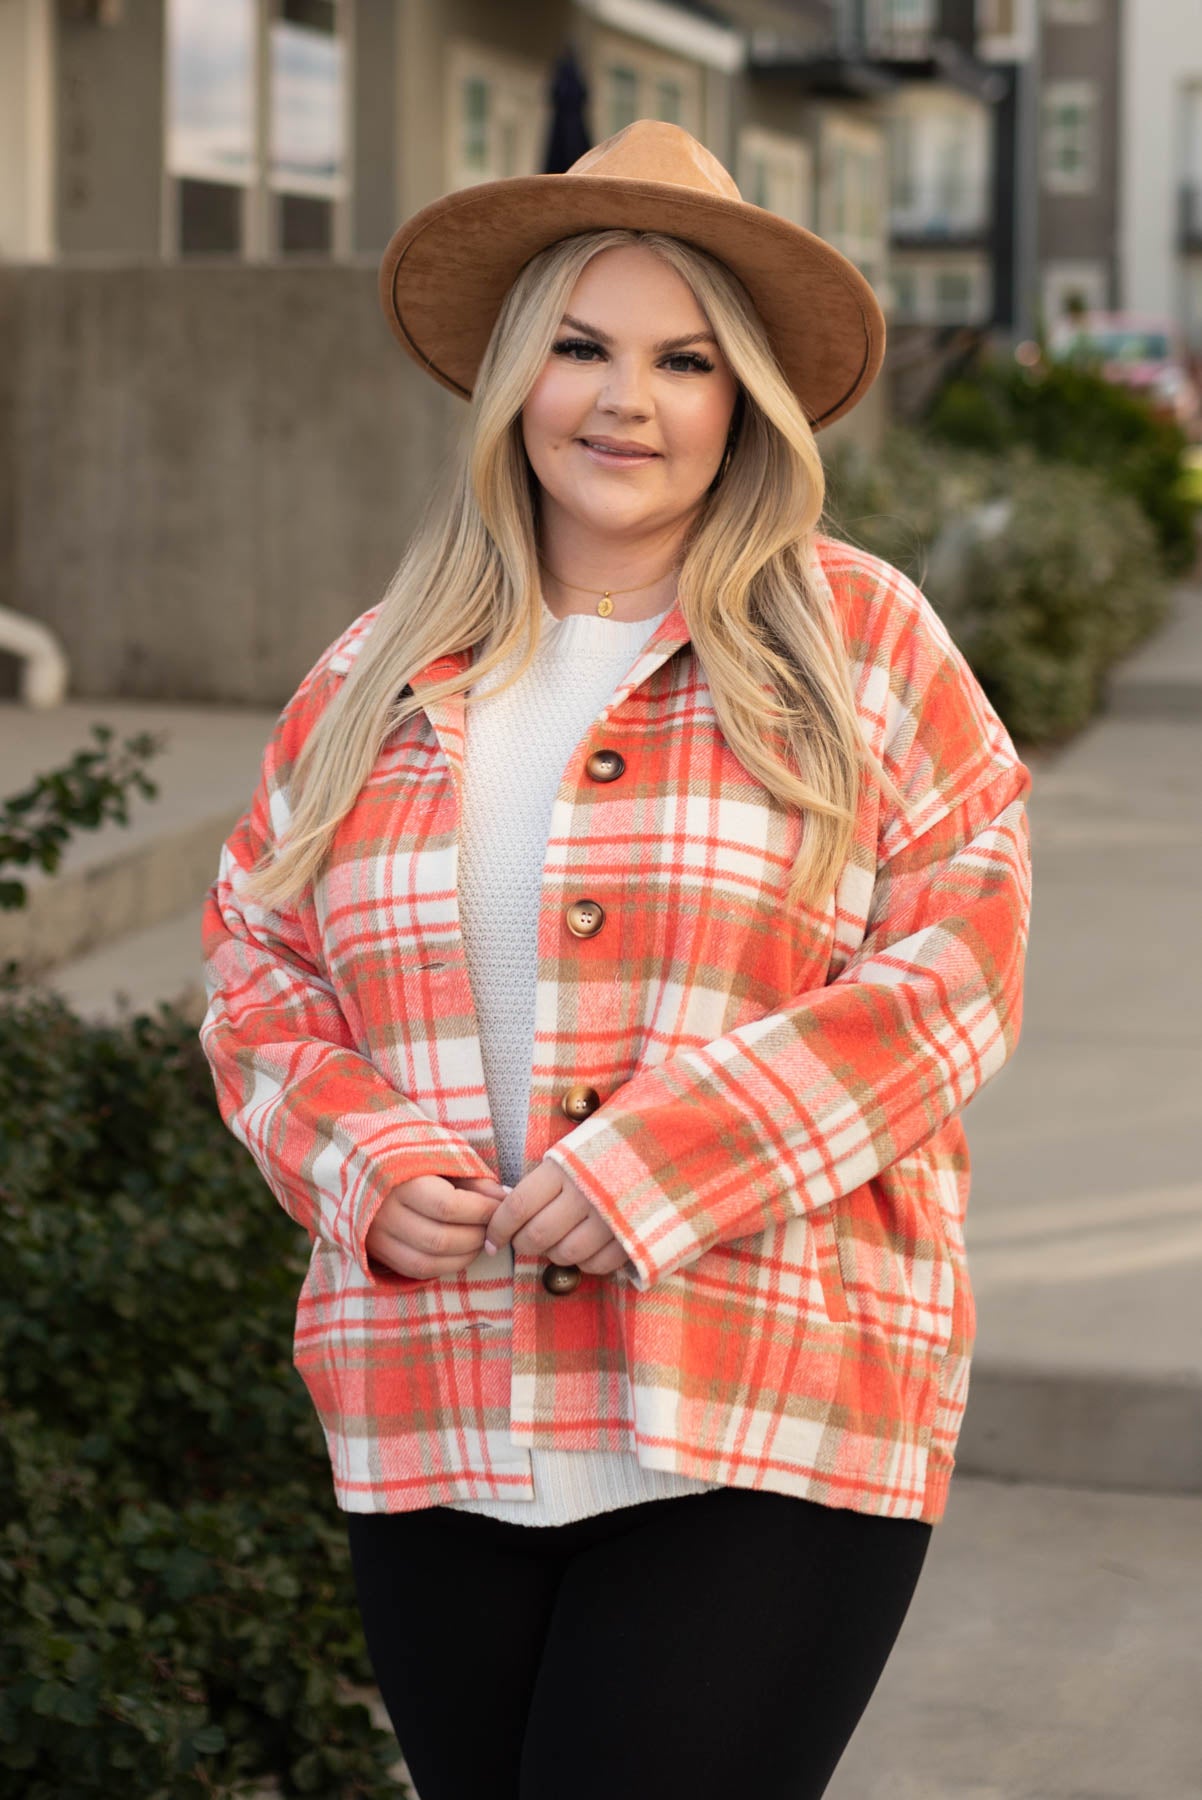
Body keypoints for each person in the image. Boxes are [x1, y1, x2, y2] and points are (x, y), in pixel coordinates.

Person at [200, 121, 1033, 1800]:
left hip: (765, 1396)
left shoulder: (857, 641)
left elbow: (963, 962)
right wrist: (362, 1159)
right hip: (436, 1405)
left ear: (746, 405)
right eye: (579, 347)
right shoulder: (375, 670)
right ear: (515, 377)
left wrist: (668, 1160)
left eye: (684, 360)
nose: (622, 401)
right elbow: (254, 963)